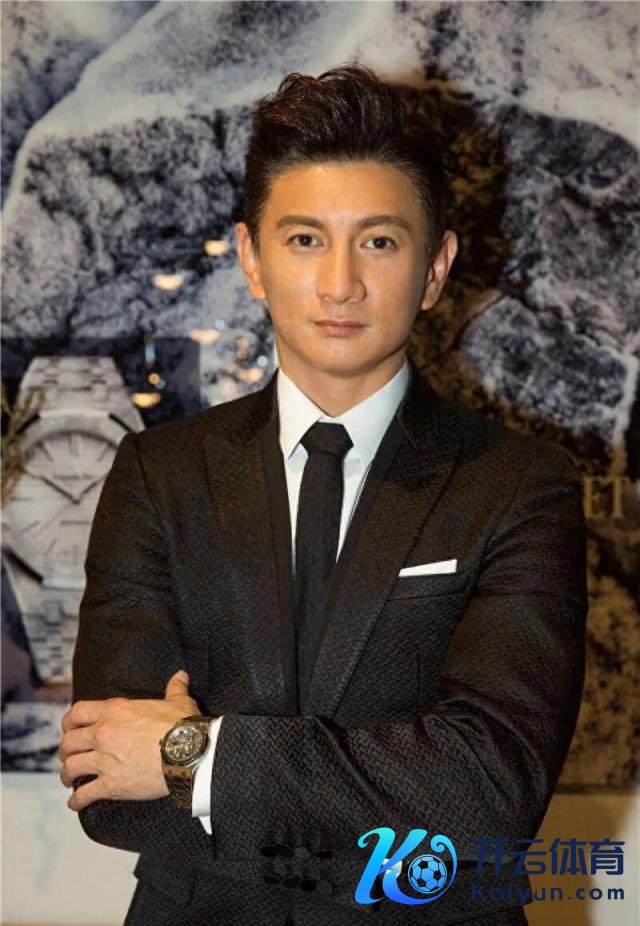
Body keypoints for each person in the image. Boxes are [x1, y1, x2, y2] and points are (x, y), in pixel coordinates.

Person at [58, 63, 588, 925]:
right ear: (251, 259)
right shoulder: (160, 475)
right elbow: (109, 785)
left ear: (436, 268)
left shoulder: (519, 485)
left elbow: (490, 793)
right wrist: (387, 792)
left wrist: (196, 756)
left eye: (379, 242)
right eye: (305, 240)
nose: (341, 283)